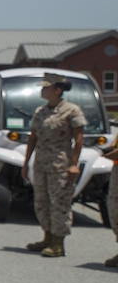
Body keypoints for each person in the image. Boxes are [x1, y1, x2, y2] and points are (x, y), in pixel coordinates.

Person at [22, 72, 86, 258]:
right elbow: (33, 138)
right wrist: (26, 164)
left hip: (60, 165)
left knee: (59, 203)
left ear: (57, 90)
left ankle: (58, 243)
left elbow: (79, 139)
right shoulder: (40, 111)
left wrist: (74, 164)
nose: (42, 90)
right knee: (42, 202)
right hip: (41, 164)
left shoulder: (71, 111)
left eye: (46, 87)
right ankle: (47, 237)